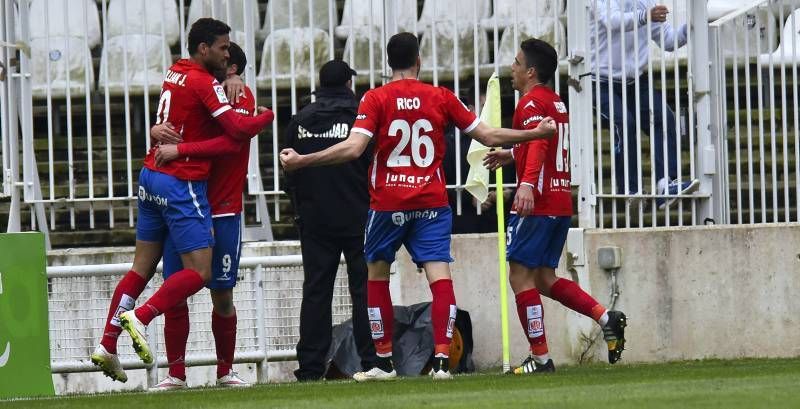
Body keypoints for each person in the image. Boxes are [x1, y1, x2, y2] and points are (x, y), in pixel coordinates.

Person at [279, 32, 558, 381]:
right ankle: (441, 361)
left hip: (388, 203)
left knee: (376, 275)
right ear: (419, 61)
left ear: (388, 64)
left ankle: (382, 362)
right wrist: (535, 134)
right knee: (439, 277)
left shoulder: (375, 98)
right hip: (431, 202)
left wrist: (303, 160)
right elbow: (488, 136)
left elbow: (352, 149)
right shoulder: (440, 96)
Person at [90, 18, 274, 380]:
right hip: (185, 191)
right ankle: (160, 349)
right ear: (205, 50)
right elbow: (235, 133)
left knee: (160, 274)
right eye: (221, 47)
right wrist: (267, 117)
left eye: (228, 53)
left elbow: (186, 126)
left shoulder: (183, 73)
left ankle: (110, 344)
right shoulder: (206, 83)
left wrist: (166, 140)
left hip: (171, 187)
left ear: (234, 68)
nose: (225, 54)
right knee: (197, 275)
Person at [483, 39, 627, 374]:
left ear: (531, 72)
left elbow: (537, 142)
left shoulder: (530, 103)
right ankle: (607, 318)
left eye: (517, 63)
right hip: (560, 201)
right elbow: (544, 144)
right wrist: (511, 155)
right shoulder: (556, 103)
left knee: (519, 277)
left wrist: (528, 184)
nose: (512, 69)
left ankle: (541, 358)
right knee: (545, 279)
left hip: (539, 201)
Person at [145, 42, 259, 390]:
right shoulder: (198, 90)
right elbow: (168, 129)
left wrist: (248, 97)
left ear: (233, 67)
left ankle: (225, 371)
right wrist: (155, 130)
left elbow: (232, 142)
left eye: (228, 62)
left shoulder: (240, 97)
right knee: (176, 290)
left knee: (222, 293)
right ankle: (175, 374)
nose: (219, 66)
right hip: (184, 204)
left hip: (223, 208)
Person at [284, 60, 378, 382]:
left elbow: (288, 168)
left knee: (316, 292)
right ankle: (370, 361)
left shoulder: (300, 120)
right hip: (359, 217)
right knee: (364, 290)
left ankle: (310, 369)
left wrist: (301, 207)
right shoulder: (359, 118)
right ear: (349, 85)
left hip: (315, 219)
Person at [590, 0, 698, 208]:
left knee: (665, 119)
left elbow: (668, 40)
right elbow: (611, 21)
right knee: (625, 123)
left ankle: (666, 185)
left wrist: (692, 26)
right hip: (599, 81)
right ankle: (629, 191)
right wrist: (646, 16)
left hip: (634, 81)